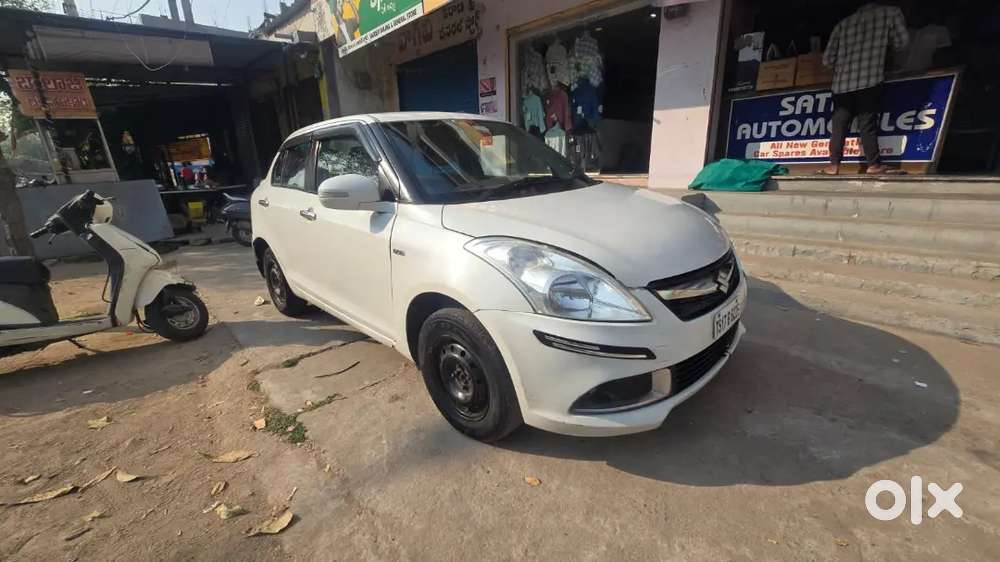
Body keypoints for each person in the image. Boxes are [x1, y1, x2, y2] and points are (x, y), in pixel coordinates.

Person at [821, 2, 909, 175]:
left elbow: (827, 60)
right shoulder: (891, 12)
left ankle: (833, 166)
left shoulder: (843, 24)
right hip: (870, 79)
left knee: (839, 125)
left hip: (842, 83)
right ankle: (874, 165)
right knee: (867, 123)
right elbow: (902, 43)